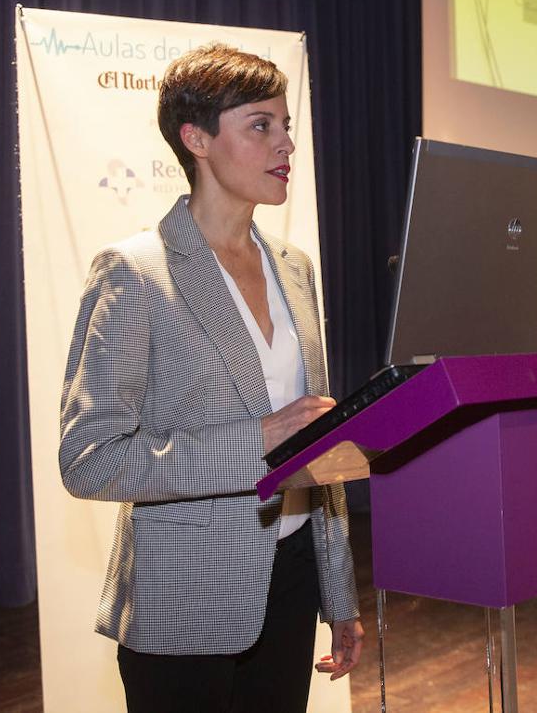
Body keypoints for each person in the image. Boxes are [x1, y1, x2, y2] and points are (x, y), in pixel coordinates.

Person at [59, 43, 361, 712]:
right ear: (195, 139)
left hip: (287, 587)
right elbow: (88, 460)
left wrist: (337, 594)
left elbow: (316, 447)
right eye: (262, 125)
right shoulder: (134, 273)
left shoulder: (296, 268)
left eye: (287, 125)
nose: (287, 143)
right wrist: (255, 440)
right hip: (182, 604)